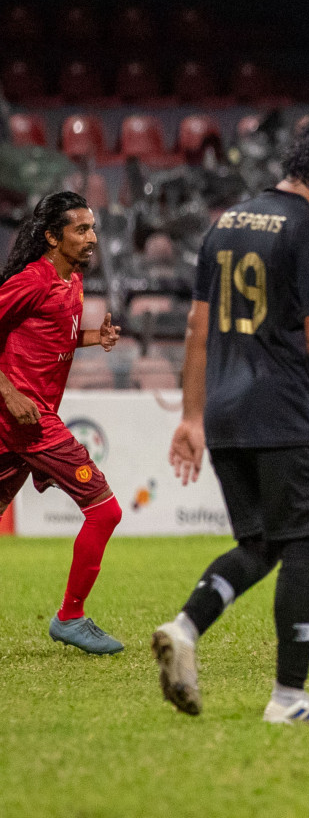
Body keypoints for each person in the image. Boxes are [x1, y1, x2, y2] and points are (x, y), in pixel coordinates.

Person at [152, 118, 309, 724]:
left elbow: (197, 328)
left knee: (259, 544)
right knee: (303, 545)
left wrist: (192, 417)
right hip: (288, 413)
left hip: (226, 413)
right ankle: (289, 697)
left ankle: (184, 627)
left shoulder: (224, 225)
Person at [0, 192, 123, 654]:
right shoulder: (32, 280)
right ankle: (70, 617)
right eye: (81, 229)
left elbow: (53, 336)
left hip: (24, 421)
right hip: (24, 420)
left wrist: (94, 338)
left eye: (92, 228)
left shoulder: (71, 280)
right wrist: (10, 393)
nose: (92, 238)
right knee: (105, 510)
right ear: (52, 235)